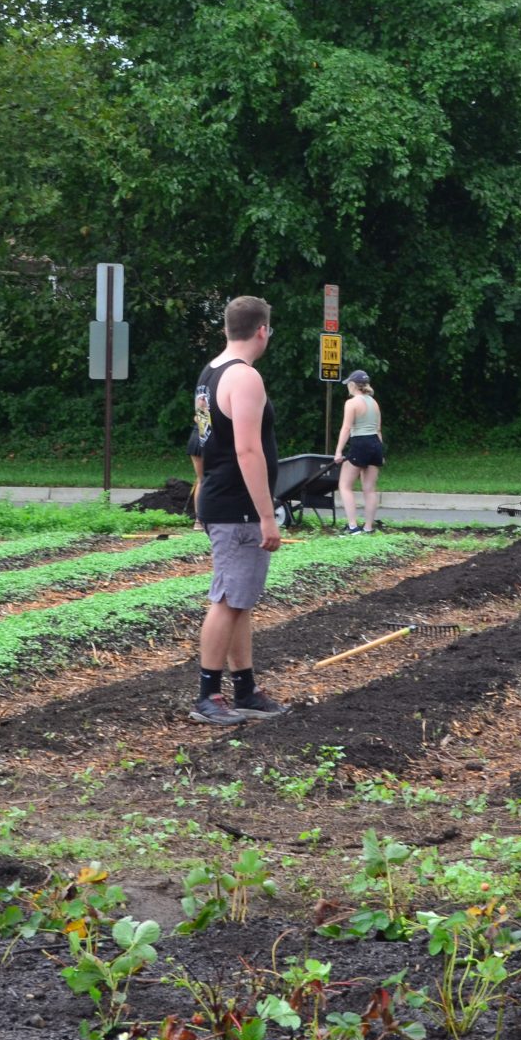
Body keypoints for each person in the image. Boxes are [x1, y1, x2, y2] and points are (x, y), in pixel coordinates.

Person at [190, 296, 289, 726]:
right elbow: (248, 450)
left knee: (240, 599)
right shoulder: (245, 378)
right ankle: (208, 695)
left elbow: (201, 444)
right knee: (228, 599)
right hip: (238, 505)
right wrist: (267, 515)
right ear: (262, 330)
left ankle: (245, 689)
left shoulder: (209, 373)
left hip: (220, 498)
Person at [334, 369, 384, 535]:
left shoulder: (352, 403)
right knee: (369, 489)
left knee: (345, 485)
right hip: (375, 445)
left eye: (349, 384)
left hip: (360, 443)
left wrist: (338, 452)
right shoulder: (374, 403)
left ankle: (353, 527)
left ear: (353, 385)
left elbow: (346, 428)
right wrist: (381, 453)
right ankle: (368, 528)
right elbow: (378, 430)